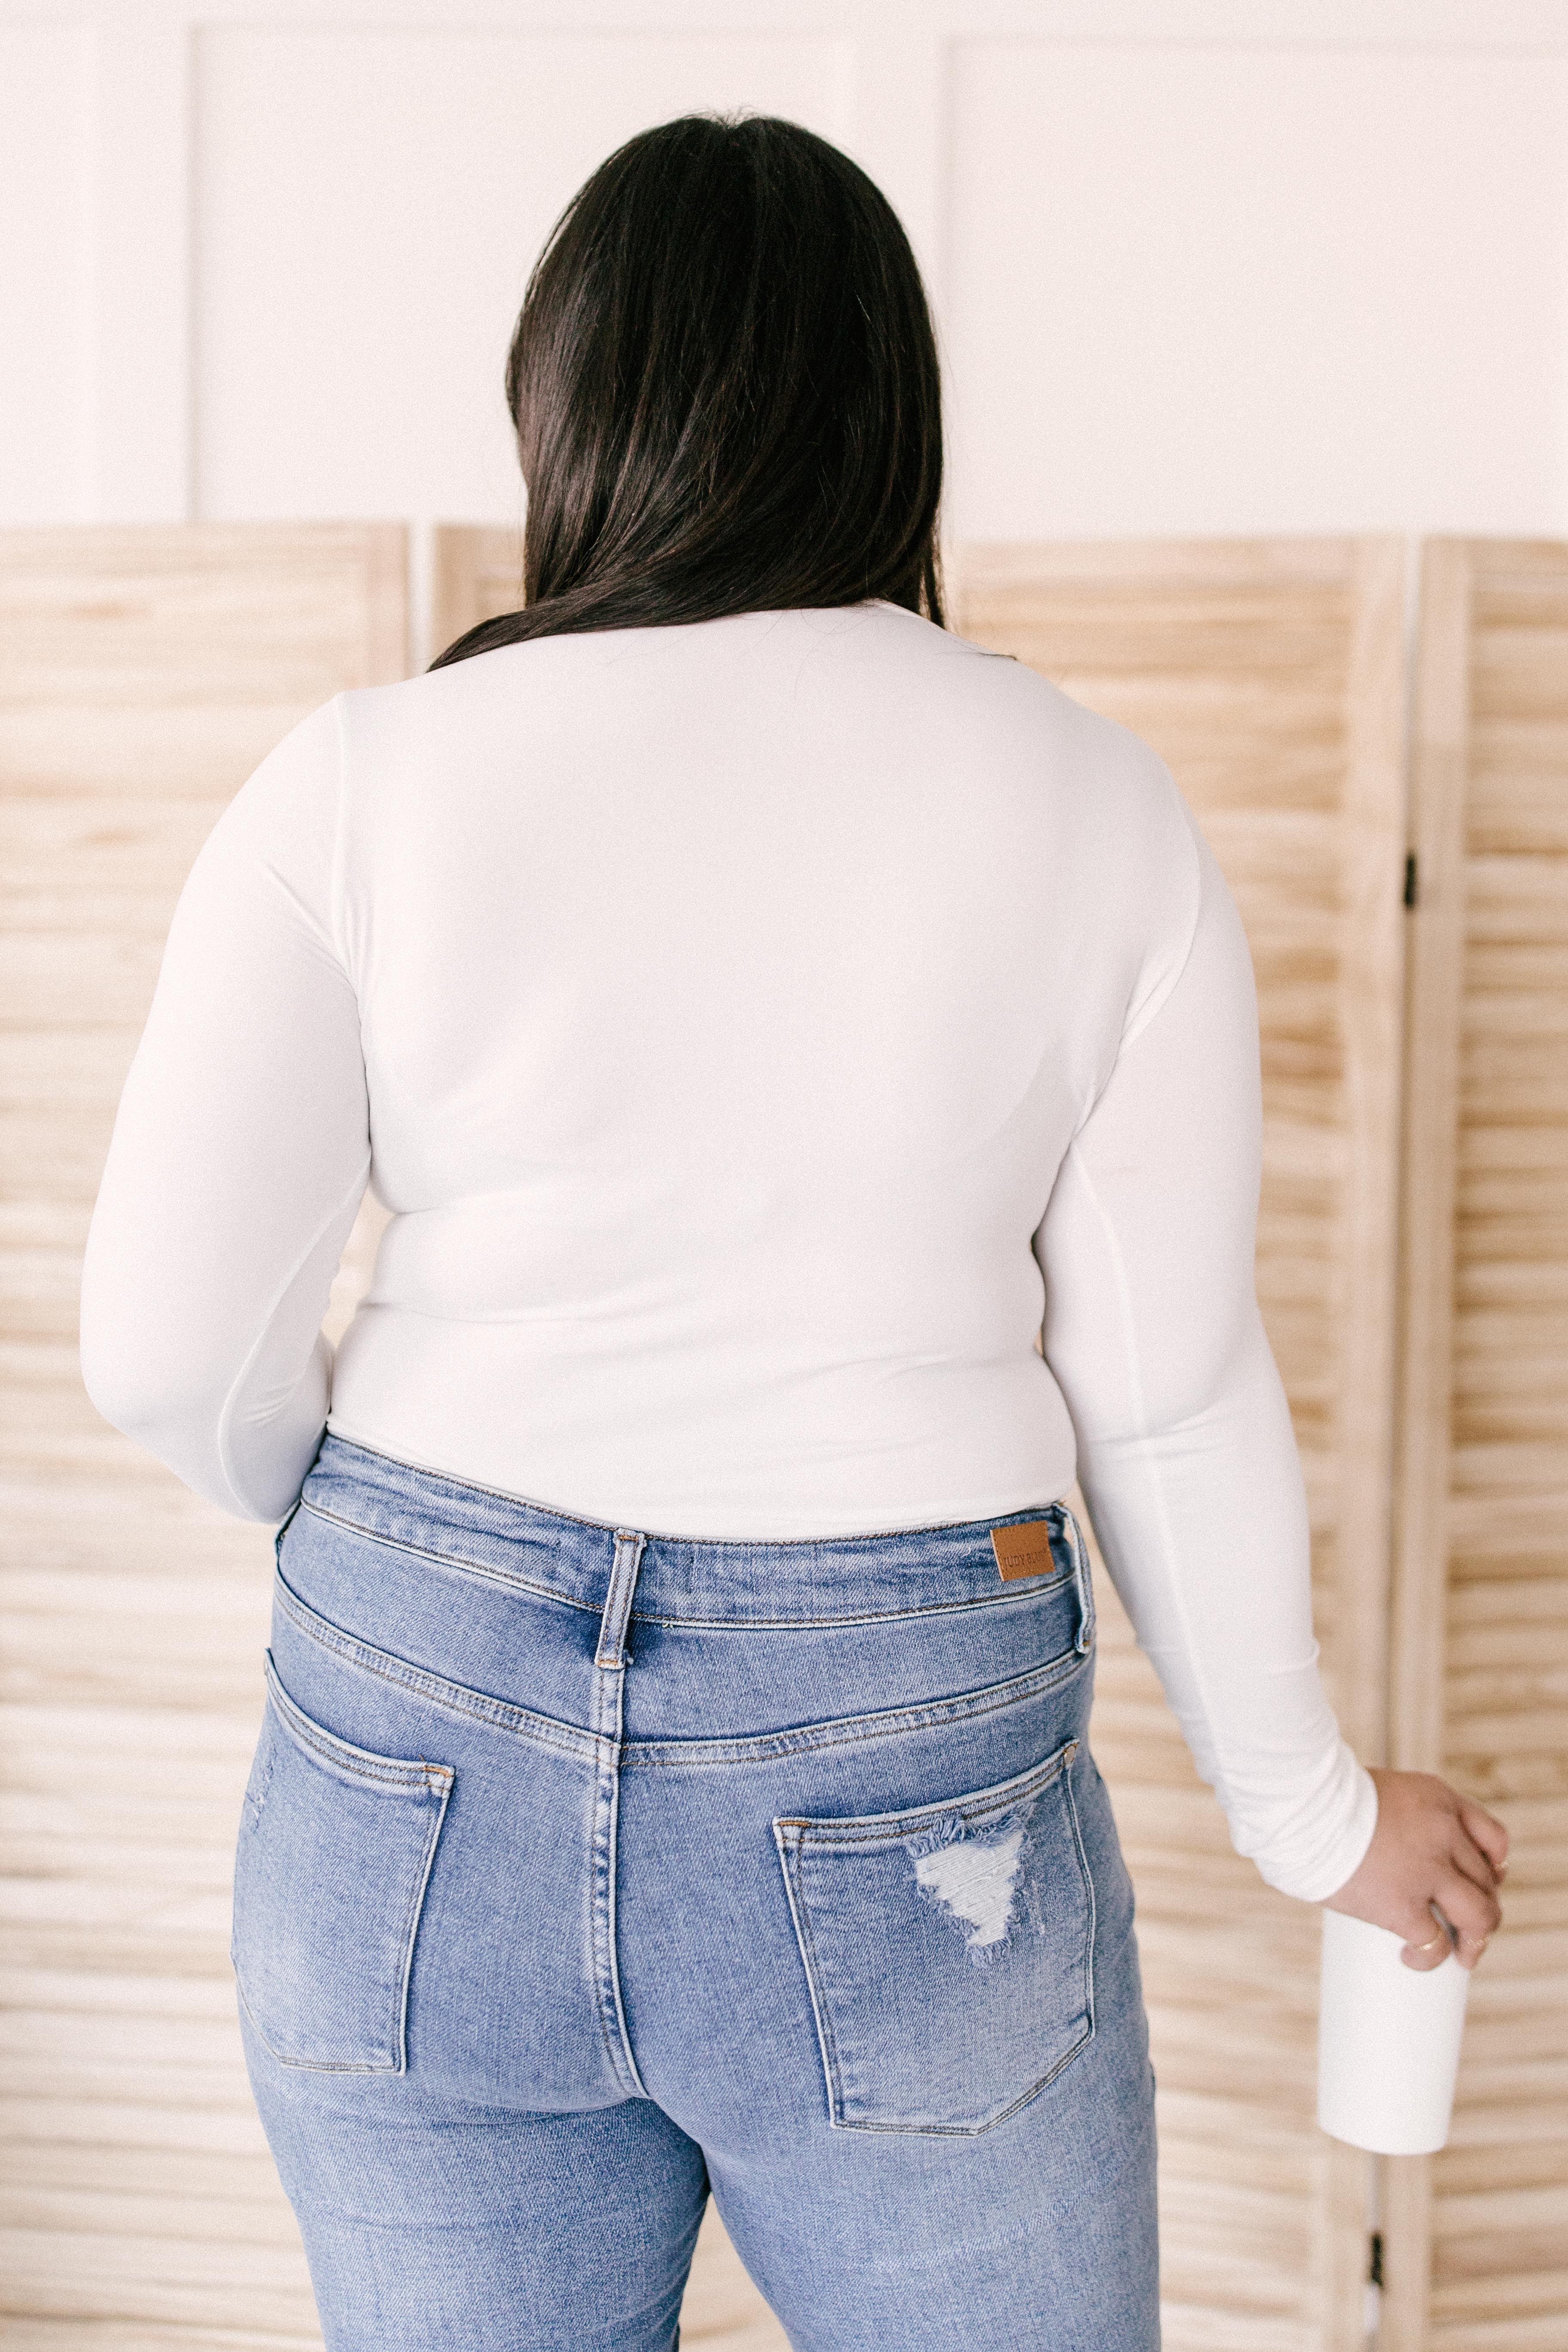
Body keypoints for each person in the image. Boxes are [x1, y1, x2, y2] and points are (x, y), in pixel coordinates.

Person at [79, 113, 1507, 2352]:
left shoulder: (363, 775)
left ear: (565, 410)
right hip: (902, 1761)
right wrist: (1315, 1818)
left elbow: (165, 1344)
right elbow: (1164, 1382)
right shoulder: (1091, 807)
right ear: (892, 420)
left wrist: (410, 1557)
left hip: (403, 1750)